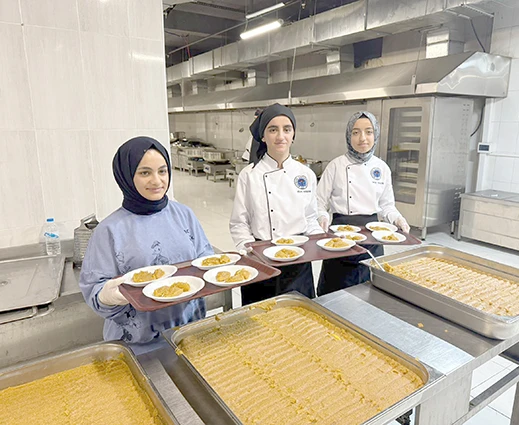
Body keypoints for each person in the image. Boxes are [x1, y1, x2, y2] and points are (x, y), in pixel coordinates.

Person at [79, 136, 213, 354]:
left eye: (162, 171)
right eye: (145, 173)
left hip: (189, 334)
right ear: (126, 176)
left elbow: (205, 259)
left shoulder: (183, 214)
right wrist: (110, 294)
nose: (157, 181)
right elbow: (95, 291)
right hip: (138, 346)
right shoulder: (110, 230)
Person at [230, 103, 324, 305]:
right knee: (260, 320)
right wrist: (250, 251)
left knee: (300, 318)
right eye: (273, 130)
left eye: (287, 129)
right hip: (261, 262)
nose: (281, 136)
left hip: (299, 262)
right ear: (263, 136)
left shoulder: (306, 174)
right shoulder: (249, 175)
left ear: (293, 135)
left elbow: (310, 218)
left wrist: (322, 241)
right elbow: (239, 223)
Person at [316, 111, 410, 296]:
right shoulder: (335, 166)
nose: (362, 138)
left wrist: (398, 219)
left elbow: (387, 206)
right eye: (356, 132)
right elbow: (318, 202)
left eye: (368, 132)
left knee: (371, 294)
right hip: (340, 236)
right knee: (334, 297)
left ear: (375, 135)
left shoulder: (382, 168)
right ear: (348, 135)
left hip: (373, 236)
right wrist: (322, 217)